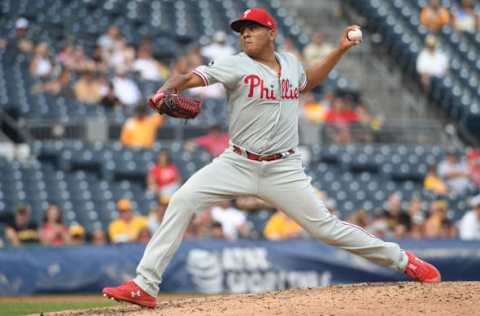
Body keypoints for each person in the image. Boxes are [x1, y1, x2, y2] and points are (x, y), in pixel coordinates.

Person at [103, 8, 441, 308]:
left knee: (328, 229)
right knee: (182, 200)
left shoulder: (291, 63)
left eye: (252, 28)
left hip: (284, 168)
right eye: (242, 30)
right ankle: (145, 285)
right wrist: (165, 91)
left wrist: (340, 49)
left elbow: (307, 82)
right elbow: (187, 78)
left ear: (271, 33)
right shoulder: (234, 64)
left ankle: (404, 260)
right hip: (237, 162)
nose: (245, 33)